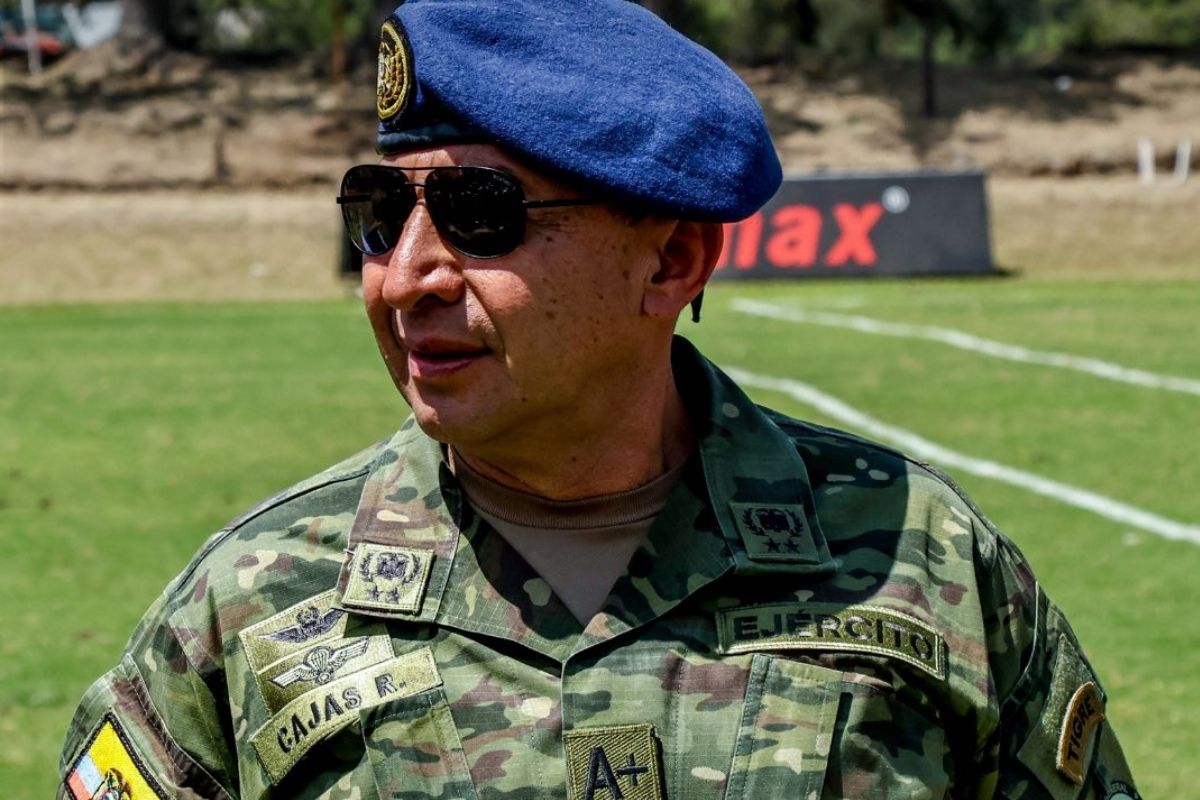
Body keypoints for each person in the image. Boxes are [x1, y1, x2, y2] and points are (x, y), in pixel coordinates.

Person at [59, 1, 1140, 798]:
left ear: (671, 261)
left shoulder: (920, 562)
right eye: (381, 212)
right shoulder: (254, 598)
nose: (406, 276)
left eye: (480, 213)